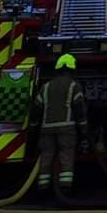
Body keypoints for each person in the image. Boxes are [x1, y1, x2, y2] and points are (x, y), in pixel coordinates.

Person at [32, 53, 86, 194]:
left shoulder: (46, 86)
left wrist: (33, 126)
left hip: (46, 128)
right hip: (66, 129)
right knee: (66, 156)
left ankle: (43, 187)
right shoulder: (74, 86)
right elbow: (79, 108)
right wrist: (83, 128)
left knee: (46, 156)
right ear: (72, 69)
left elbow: (37, 107)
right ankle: (65, 187)